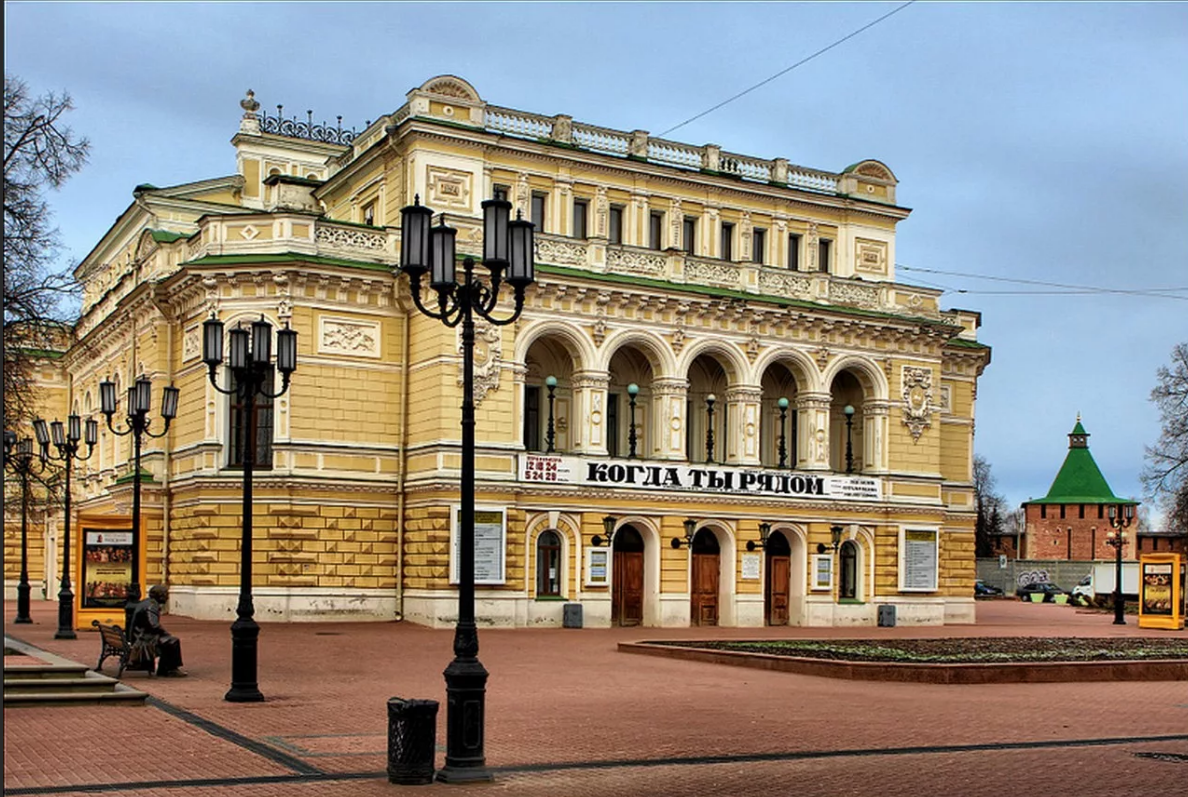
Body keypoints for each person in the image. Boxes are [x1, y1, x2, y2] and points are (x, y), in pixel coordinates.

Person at [129, 584, 186, 677]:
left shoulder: (147, 602)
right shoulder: (152, 605)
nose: (167, 597)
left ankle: (164, 669)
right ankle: (171, 669)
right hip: (143, 639)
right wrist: (165, 633)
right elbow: (154, 625)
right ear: (160, 595)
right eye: (166, 594)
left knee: (168, 640)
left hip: (140, 635)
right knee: (173, 641)